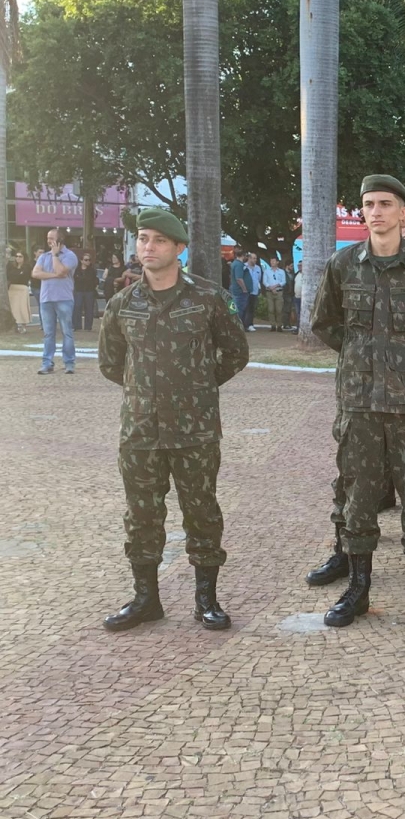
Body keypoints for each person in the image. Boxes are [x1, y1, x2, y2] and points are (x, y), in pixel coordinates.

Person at [310, 175, 405, 629]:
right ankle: (358, 589)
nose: (375, 211)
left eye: (385, 203)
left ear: (403, 213)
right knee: (358, 496)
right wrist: (360, 357)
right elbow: (325, 322)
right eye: (368, 204)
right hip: (359, 404)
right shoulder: (343, 264)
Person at [97, 208, 249, 632]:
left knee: (202, 512)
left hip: (194, 430)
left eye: (159, 240)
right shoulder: (122, 303)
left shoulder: (209, 298)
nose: (148, 247)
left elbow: (235, 353)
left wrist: (197, 387)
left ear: (179, 248)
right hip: (140, 430)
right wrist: (146, 393)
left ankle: (206, 600)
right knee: (141, 516)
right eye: (143, 238)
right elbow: (111, 363)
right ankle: (146, 599)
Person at [31, 230, 78, 375]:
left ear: (60, 240)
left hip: (64, 298)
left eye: (51, 238)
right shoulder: (43, 256)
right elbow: (35, 273)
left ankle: (69, 363)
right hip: (46, 299)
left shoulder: (70, 256)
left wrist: (55, 255)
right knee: (48, 333)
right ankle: (47, 363)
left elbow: (61, 271)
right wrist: (53, 275)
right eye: (47, 238)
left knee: (67, 332)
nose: (48, 240)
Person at [6, 249, 31, 333]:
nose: (18, 258)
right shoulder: (11, 266)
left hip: (22, 289)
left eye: (20, 256)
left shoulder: (27, 267)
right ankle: (14, 325)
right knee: (13, 308)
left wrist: (19, 274)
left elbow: (23, 276)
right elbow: (9, 276)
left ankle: (23, 326)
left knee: (22, 308)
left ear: (24, 258)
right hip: (12, 288)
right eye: (16, 256)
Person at [73, 251, 99, 331]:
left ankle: (88, 327)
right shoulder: (76, 270)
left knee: (89, 308)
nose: (88, 261)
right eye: (86, 260)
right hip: (79, 290)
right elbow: (75, 279)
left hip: (89, 291)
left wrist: (94, 286)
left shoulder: (92, 270)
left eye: (89, 260)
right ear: (81, 261)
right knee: (77, 307)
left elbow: (95, 280)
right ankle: (77, 326)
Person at [260, 257, 286, 331]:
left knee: (279, 309)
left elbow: (283, 281)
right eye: (271, 261)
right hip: (269, 292)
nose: (272, 262)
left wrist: (276, 285)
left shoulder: (281, 271)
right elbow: (264, 281)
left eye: (274, 261)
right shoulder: (267, 271)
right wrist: (271, 288)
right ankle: (273, 325)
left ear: (277, 262)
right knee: (270, 309)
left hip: (279, 292)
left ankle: (279, 325)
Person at [230, 249, 251, 328]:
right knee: (238, 309)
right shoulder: (239, 265)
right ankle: (236, 326)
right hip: (239, 291)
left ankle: (233, 325)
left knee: (233, 309)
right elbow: (239, 278)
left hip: (235, 290)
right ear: (243, 255)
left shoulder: (234, 263)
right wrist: (244, 289)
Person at [245, 253, 263, 331]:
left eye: (256, 258)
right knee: (245, 308)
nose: (255, 260)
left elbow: (258, 279)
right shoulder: (244, 266)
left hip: (254, 291)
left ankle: (250, 324)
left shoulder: (258, 268)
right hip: (246, 291)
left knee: (251, 308)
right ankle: (244, 324)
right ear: (249, 258)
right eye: (253, 258)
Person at [282, 261, 297, 331]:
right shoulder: (283, 273)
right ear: (287, 266)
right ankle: (285, 324)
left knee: (289, 309)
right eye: (291, 266)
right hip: (285, 293)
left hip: (291, 294)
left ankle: (288, 323)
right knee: (286, 309)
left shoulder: (292, 274)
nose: (292, 267)